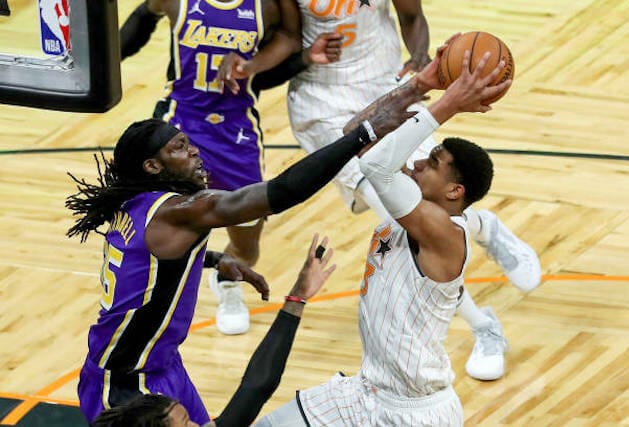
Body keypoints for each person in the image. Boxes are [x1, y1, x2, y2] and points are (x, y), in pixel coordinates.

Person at [66, 65, 434, 425]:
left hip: (160, 365)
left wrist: (213, 259)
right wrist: (363, 135)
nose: (194, 151)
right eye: (179, 148)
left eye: (189, 142)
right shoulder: (180, 211)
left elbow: (141, 266)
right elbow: (282, 192)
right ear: (152, 166)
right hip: (125, 384)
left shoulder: (134, 203)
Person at [255, 42, 509, 427]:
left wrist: (448, 106)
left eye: (433, 163)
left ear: (454, 191)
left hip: (417, 413)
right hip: (362, 392)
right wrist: (420, 84)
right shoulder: (412, 201)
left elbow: (375, 165)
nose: (418, 163)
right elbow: (353, 134)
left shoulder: (443, 233)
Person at [287, 0, 540, 380]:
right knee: (404, 213)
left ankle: (483, 326)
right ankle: (478, 228)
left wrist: (421, 63)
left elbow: (411, 15)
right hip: (323, 100)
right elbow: (281, 41)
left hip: (384, 82)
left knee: (414, 214)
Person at [119, 0, 343, 336]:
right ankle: (146, 295)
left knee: (247, 244)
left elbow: (288, 38)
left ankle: (226, 282)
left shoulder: (268, 6)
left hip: (236, 131)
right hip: (180, 123)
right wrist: (101, 67)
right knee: (153, 221)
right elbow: (143, 16)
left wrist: (257, 65)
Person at [91, 234, 337, 427]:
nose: (198, 425)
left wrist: (297, 297)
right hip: (118, 373)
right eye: (187, 424)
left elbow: (256, 389)